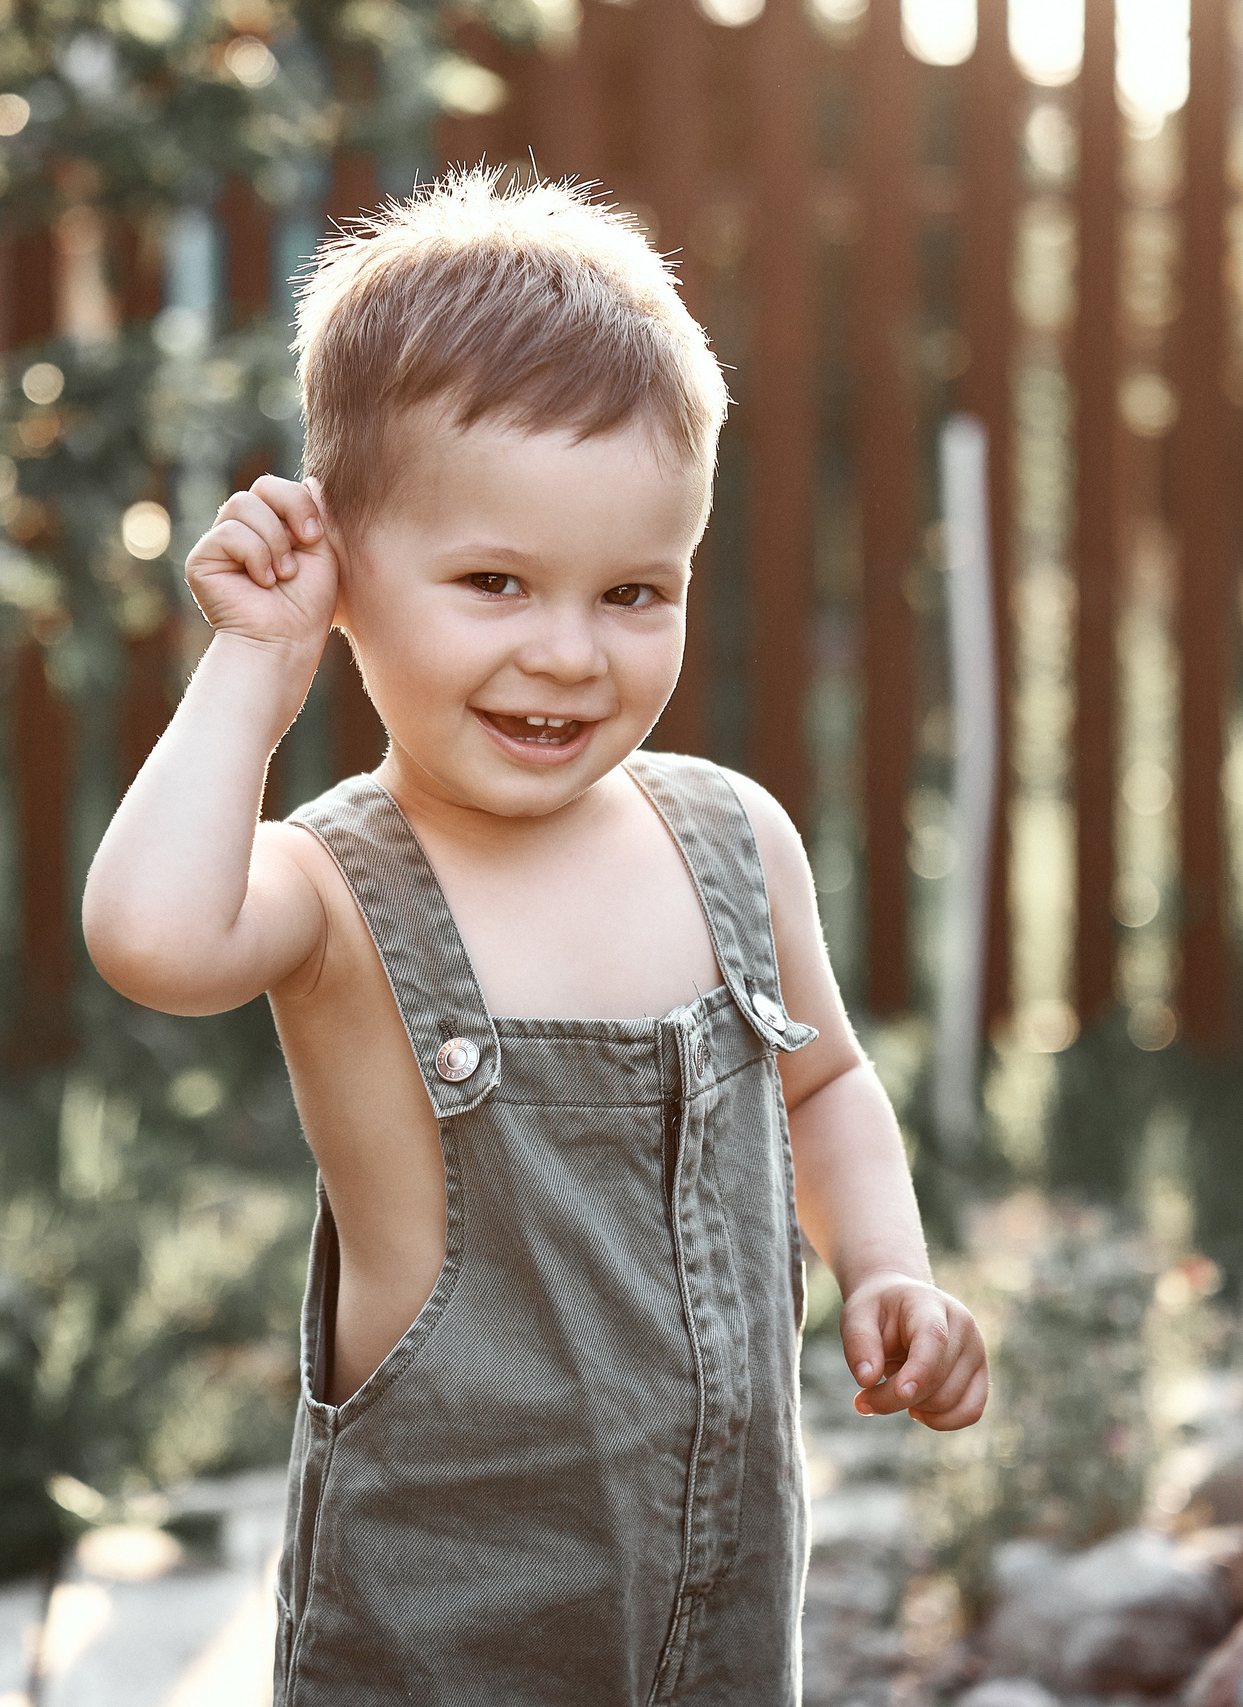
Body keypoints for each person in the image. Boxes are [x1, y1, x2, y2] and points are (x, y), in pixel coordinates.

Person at [80, 169, 987, 1705]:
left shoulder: (731, 840)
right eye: (495, 582)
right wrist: (258, 663)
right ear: (349, 569)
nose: (566, 653)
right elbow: (151, 939)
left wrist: (890, 1266)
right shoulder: (335, 888)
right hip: (447, 1623)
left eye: (634, 591)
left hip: (722, 1600)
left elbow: (823, 1086)